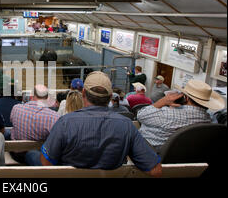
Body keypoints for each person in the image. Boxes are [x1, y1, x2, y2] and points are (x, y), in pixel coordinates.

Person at [29, 71, 162, 178]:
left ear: (83, 94)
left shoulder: (66, 122)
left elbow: (46, 162)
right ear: (110, 97)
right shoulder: (126, 125)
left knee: (31, 155)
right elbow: (155, 170)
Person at [138, 79, 225, 151]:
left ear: (186, 97)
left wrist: (163, 101)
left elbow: (141, 115)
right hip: (180, 156)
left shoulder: (167, 114)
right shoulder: (208, 120)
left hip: (151, 151)